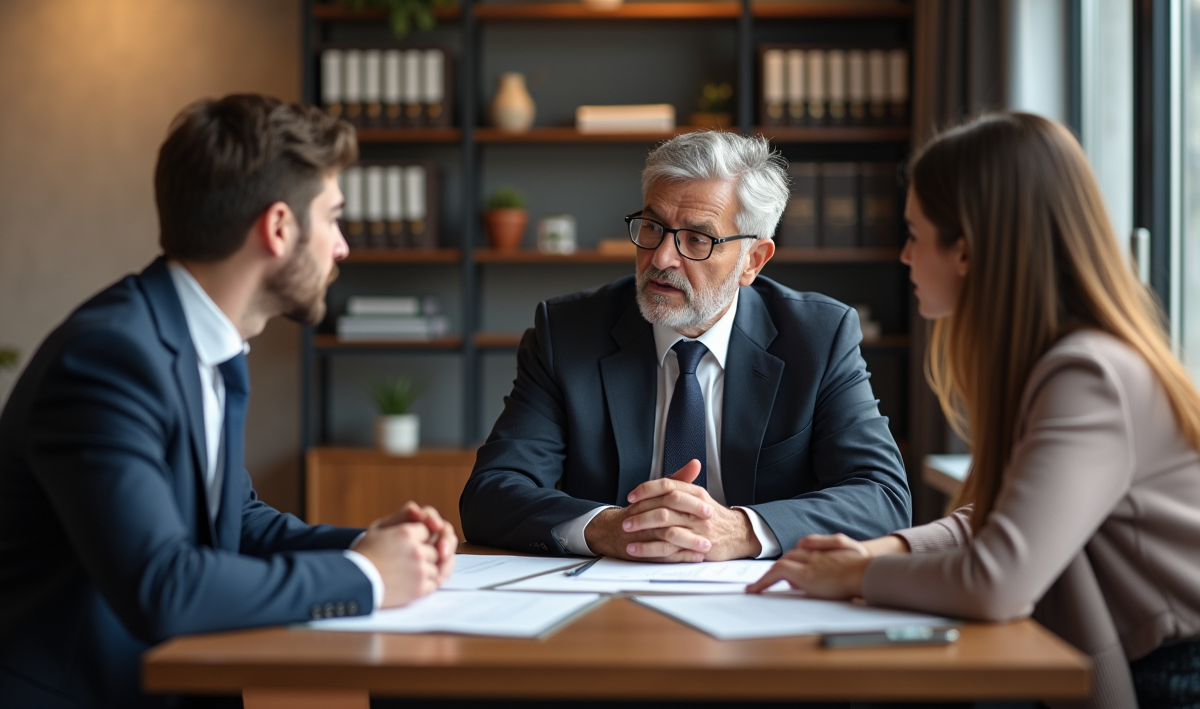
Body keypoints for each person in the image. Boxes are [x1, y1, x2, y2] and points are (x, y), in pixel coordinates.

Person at [0, 95, 457, 709]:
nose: (343, 247)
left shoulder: (202, 343)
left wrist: (373, 547)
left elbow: (234, 523)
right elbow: (162, 587)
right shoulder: (109, 359)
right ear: (278, 228)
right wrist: (368, 577)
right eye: (333, 218)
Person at [749, 112, 1200, 709]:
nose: (904, 256)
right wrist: (882, 551)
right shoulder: (1053, 364)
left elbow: (997, 580)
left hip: (1175, 673)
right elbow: (995, 522)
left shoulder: (1086, 376)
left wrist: (854, 576)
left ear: (963, 249)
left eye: (915, 234)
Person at [460, 130, 911, 562]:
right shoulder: (567, 333)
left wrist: (742, 531)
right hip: (609, 588)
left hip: (758, 597)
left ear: (752, 261)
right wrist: (609, 527)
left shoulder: (818, 337)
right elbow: (490, 492)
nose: (661, 257)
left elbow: (883, 497)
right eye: (652, 227)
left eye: (697, 239)